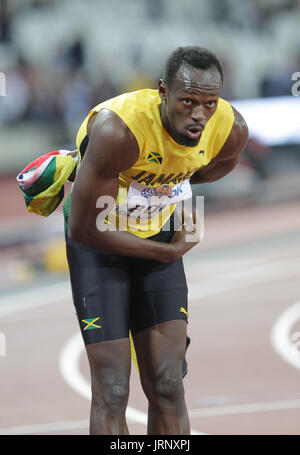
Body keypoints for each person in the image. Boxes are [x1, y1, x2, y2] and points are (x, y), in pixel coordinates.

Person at [64, 46, 249, 435]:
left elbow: (195, 175)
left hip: (161, 242)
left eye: (209, 103)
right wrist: (167, 251)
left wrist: (185, 220)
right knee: (113, 388)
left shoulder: (230, 131)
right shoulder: (119, 129)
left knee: (168, 384)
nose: (199, 114)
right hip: (98, 247)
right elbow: (83, 228)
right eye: (187, 101)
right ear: (163, 91)